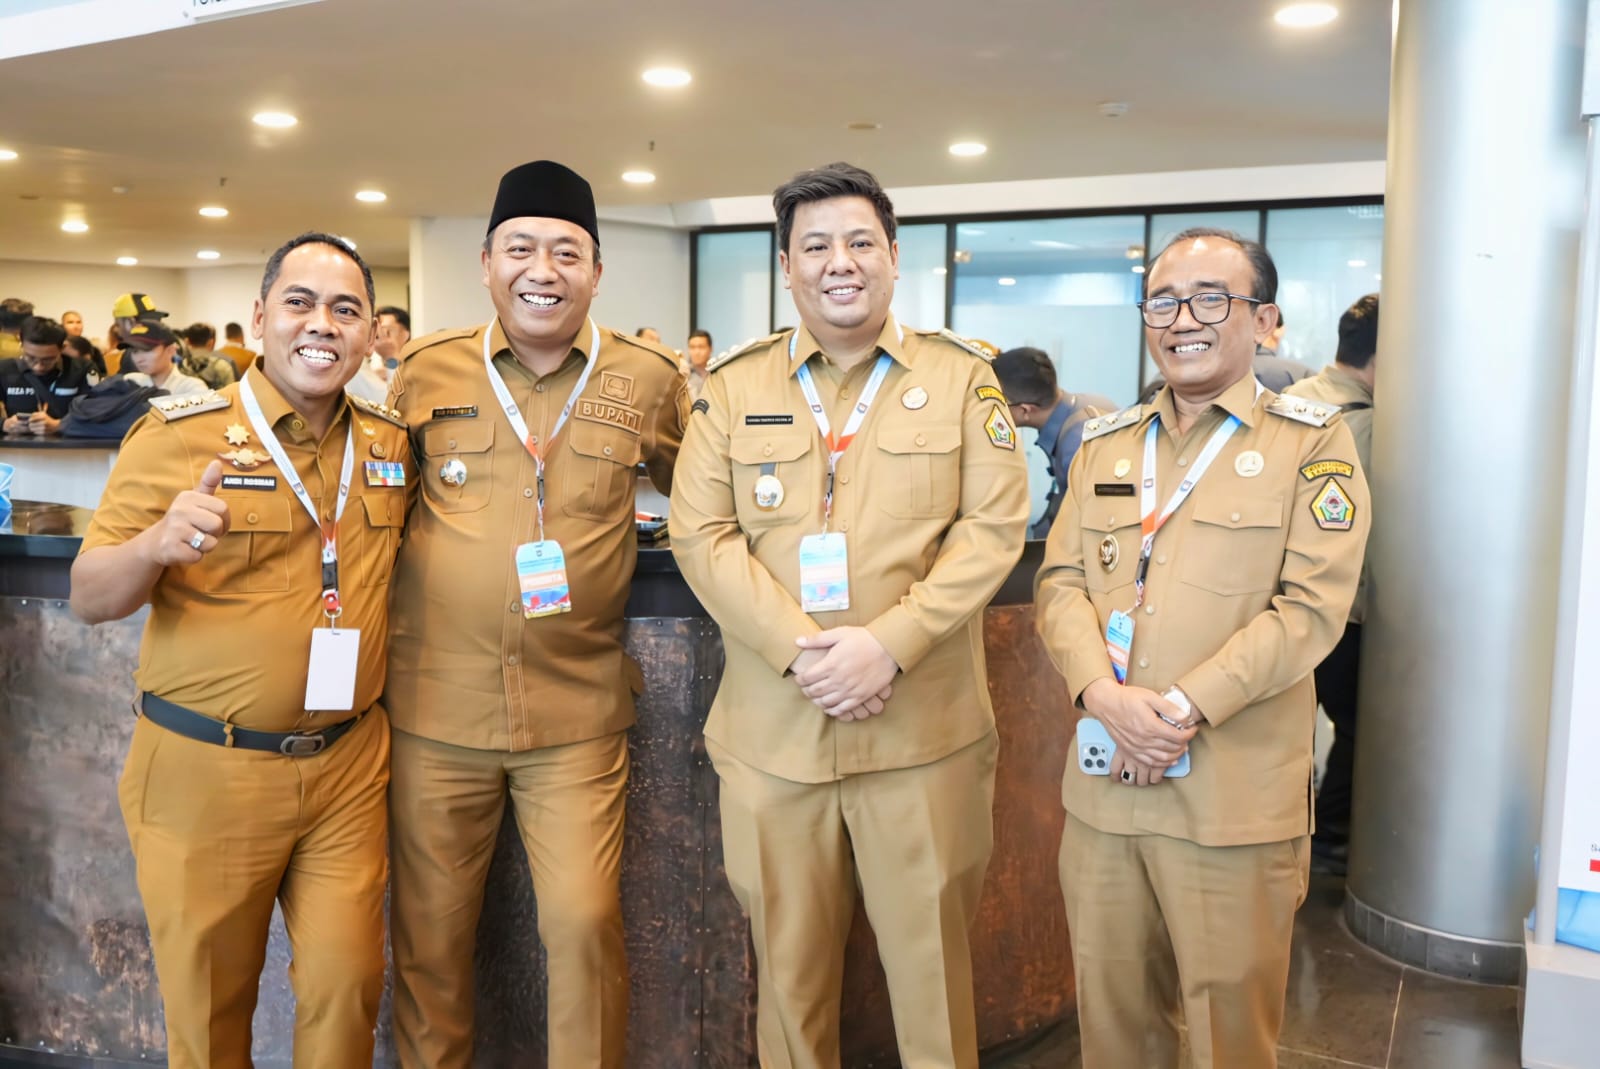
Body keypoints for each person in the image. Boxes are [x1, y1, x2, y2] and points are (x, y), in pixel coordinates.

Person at [669, 162, 1030, 1068]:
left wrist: (889, 645)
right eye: (818, 245)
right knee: (788, 987)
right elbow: (701, 533)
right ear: (787, 266)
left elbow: (992, 529)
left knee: (933, 983)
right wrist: (805, 654)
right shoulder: (734, 385)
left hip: (922, 738)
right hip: (775, 740)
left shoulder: (963, 377)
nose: (842, 262)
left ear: (894, 257)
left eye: (862, 241)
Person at [68, 231, 415, 1069]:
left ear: (368, 332)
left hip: (346, 765)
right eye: (299, 302)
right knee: (210, 1014)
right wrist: (155, 544)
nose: (322, 323)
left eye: (345, 309)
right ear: (260, 317)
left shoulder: (388, 442)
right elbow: (90, 596)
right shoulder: (179, 436)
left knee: (347, 988)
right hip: (208, 768)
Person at [1034, 227, 1369, 1068]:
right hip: (1106, 791)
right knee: (1113, 1031)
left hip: (1232, 804)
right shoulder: (1107, 443)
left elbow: (1309, 610)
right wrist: (1103, 696)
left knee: (1229, 1040)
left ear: (1265, 320)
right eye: (1163, 301)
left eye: (1211, 298)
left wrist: (1178, 710)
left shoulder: (1312, 442)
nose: (1183, 319)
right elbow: (1061, 581)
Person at [382, 160, 688, 1069]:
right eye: (520, 248)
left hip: (577, 714)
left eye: (566, 251)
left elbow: (708, 497)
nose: (542, 269)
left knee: (584, 924)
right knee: (431, 937)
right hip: (436, 709)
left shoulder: (648, 377)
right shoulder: (424, 369)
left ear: (596, 271)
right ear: (486, 263)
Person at [1284, 292, 1378, 876]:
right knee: (1358, 727)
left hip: (1275, 599)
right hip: (1343, 609)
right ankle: (1332, 835)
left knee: (1289, 719)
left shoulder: (1292, 400)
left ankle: (1290, 824)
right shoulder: (1367, 427)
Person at [992, 346, 1115, 539]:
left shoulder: (1076, 445)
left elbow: (1094, 528)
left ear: (1025, 410)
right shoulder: (1091, 402)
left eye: (998, 403)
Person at [1, 315, 98, 434]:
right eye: (31, 358)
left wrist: (60, 425)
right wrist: (4, 424)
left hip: (70, 443)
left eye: (48, 359)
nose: (38, 366)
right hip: (16, 443)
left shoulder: (83, 369)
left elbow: (97, 413)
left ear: (62, 348)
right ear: (21, 345)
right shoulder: (4, 370)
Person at [122, 319, 208, 398]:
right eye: (135, 351)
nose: (139, 359)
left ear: (171, 350)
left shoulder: (191, 388)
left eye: (147, 350)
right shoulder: (130, 382)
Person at [684, 328, 712, 398]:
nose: (697, 352)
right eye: (692, 347)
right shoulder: (684, 376)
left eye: (701, 347)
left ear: (710, 349)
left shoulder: (718, 373)